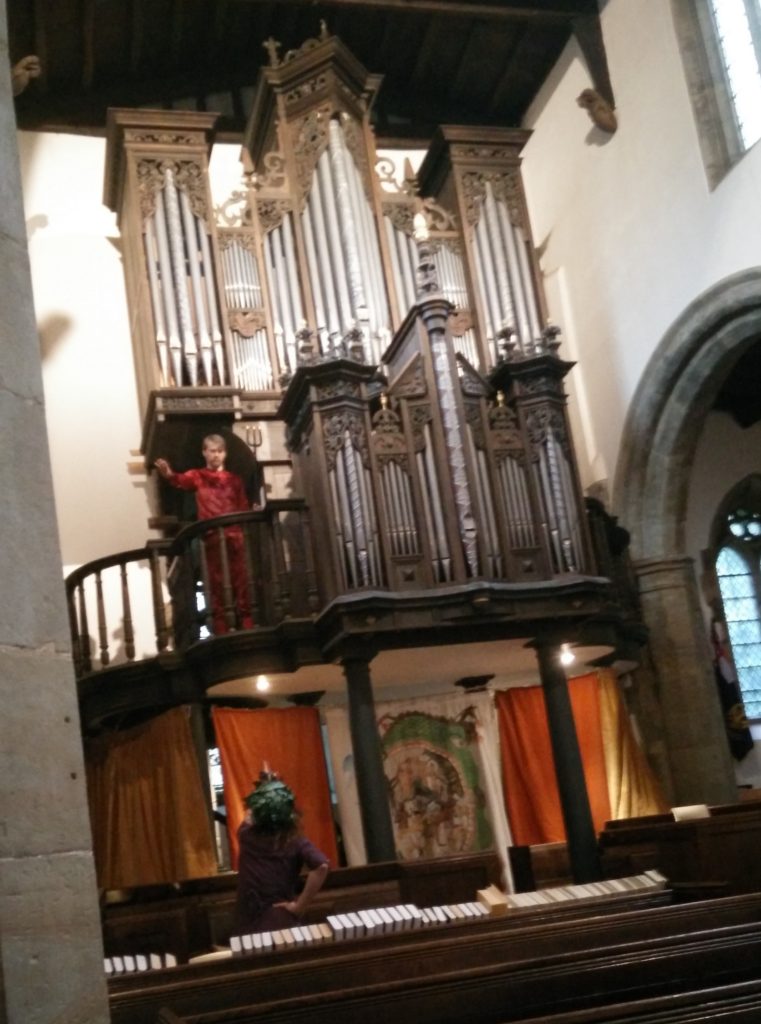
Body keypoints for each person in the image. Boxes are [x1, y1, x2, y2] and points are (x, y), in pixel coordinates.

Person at [155, 434, 254, 634]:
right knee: (215, 584)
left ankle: (246, 622)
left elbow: (243, 505)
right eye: (211, 451)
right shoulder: (198, 476)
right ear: (204, 452)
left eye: (219, 451)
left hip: (234, 536)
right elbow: (180, 480)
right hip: (211, 538)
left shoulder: (234, 480)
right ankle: (220, 627)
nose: (215, 455)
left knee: (241, 581)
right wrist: (168, 474)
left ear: (224, 454)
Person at [235, 771, 330, 935]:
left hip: (247, 922)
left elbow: (250, 813)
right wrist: (300, 906)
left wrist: (264, 786)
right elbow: (321, 866)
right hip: (279, 920)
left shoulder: (245, 834)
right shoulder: (294, 840)